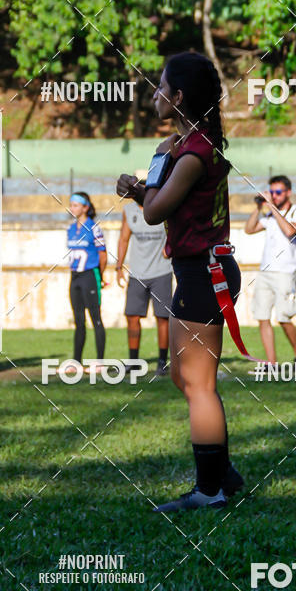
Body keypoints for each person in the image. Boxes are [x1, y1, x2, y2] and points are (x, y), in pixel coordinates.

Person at [116, 51, 244, 513]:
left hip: (202, 272)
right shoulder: (190, 144)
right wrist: (143, 184)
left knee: (198, 384)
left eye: (160, 85)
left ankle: (210, 489)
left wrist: (150, 170)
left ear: (179, 96)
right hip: (197, 270)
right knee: (184, 378)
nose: (154, 94)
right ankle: (223, 474)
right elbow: (160, 203)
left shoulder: (189, 153)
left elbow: (153, 212)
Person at [245, 175, 296, 366]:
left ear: (288, 192)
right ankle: (271, 362)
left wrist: (271, 206)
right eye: (272, 192)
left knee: (284, 317)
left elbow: (290, 231)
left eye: (278, 192)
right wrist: (259, 208)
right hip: (265, 271)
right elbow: (249, 229)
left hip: (285, 272)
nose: (274, 196)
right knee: (262, 316)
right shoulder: (270, 215)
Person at [116, 175, 172, 376]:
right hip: (137, 274)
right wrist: (118, 266)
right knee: (132, 316)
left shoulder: (164, 208)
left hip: (162, 272)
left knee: (163, 318)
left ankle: (161, 362)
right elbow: (123, 238)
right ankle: (133, 361)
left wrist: (171, 249)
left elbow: (174, 233)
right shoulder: (129, 210)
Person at [66, 192, 107, 364]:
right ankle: (76, 361)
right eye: (71, 205)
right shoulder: (70, 229)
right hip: (74, 277)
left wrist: (100, 275)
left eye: (76, 205)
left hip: (90, 275)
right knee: (79, 321)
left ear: (85, 207)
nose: (72, 208)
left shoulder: (94, 227)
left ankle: (99, 361)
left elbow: (102, 255)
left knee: (96, 318)